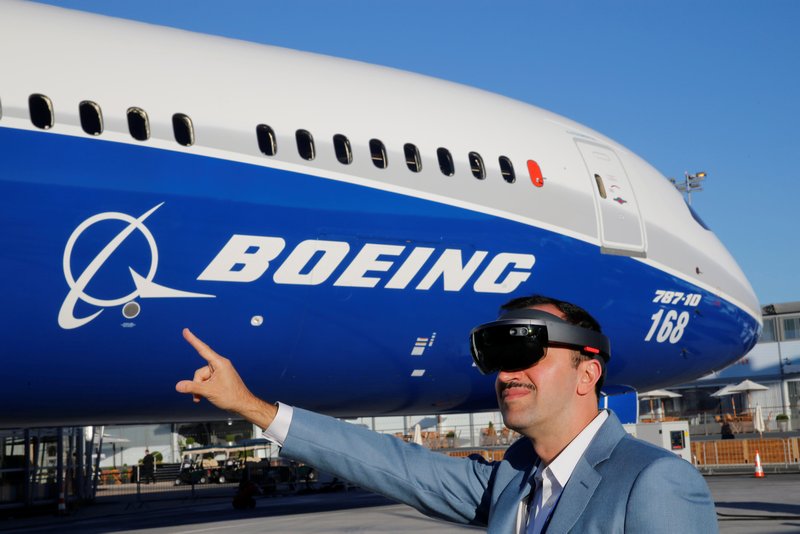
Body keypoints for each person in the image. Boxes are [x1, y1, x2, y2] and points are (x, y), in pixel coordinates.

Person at [176, 295, 718, 533]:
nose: (506, 374)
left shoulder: (653, 482)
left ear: (587, 372)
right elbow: (394, 465)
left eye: (527, 352)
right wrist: (252, 407)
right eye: (498, 359)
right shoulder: (514, 480)